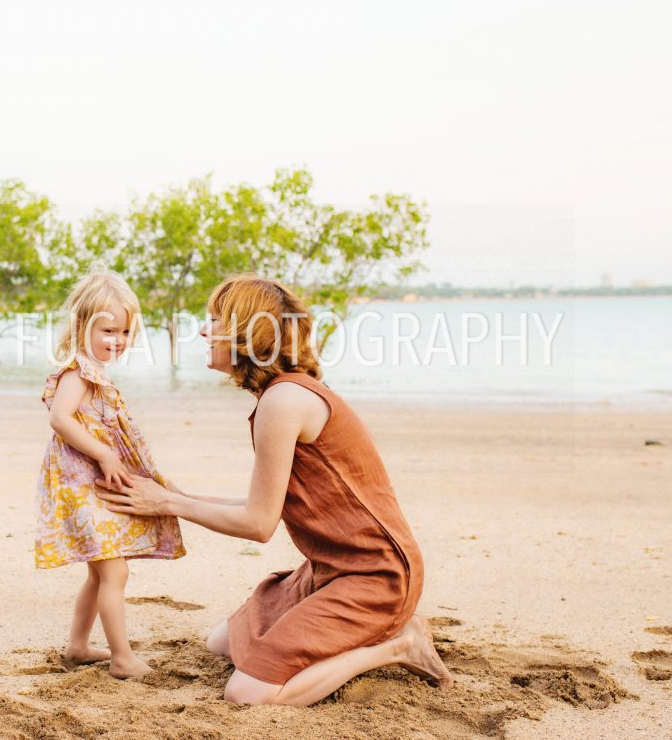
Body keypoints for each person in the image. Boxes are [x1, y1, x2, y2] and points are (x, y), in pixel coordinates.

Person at [95, 273, 452, 705]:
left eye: (215, 321)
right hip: (330, 569)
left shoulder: (284, 401)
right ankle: (369, 634)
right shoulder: (280, 395)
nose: (204, 331)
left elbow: (259, 523)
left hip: (375, 578)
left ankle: (398, 645)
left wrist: (169, 502)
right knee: (222, 642)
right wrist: (173, 497)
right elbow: (263, 505)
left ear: (247, 333)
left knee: (247, 693)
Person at [35, 264, 186, 679]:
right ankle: (122, 657)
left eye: (125, 332)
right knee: (115, 570)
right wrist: (104, 453)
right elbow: (60, 419)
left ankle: (78, 645)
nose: (117, 340)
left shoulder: (94, 372)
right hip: (80, 485)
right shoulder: (78, 372)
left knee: (98, 571)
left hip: (90, 484)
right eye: (108, 331)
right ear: (81, 326)